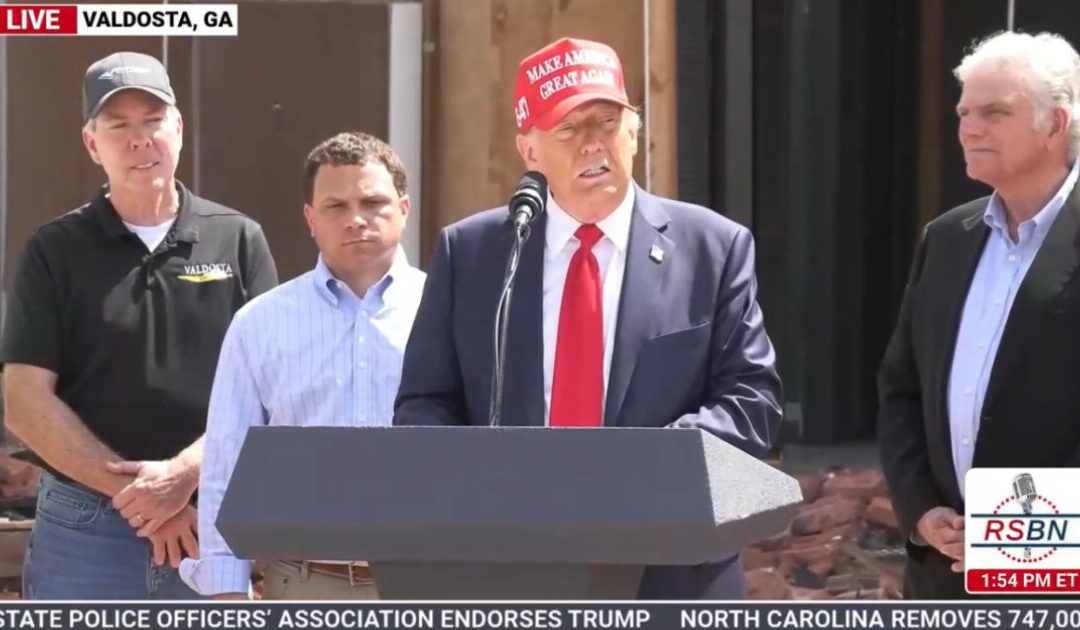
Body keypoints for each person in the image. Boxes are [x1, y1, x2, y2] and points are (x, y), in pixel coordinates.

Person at [393, 37, 781, 599]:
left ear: (635, 131)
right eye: (568, 130)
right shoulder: (473, 254)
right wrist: (475, 486)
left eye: (606, 121)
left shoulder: (713, 249)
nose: (592, 144)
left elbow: (751, 403)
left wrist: (636, 472)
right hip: (512, 569)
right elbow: (423, 403)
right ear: (529, 149)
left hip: (671, 571)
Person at [0, 52, 278, 599]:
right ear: (91, 143)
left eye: (152, 121)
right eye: (118, 125)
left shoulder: (239, 240)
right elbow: (25, 403)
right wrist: (147, 501)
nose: (139, 140)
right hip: (85, 531)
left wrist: (183, 477)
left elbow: (269, 388)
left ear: (178, 128)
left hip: (211, 518)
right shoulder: (54, 251)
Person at [180, 131, 425, 600]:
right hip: (305, 583)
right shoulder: (260, 324)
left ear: (404, 209)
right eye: (336, 207)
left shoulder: (447, 312)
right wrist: (226, 590)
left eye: (373, 202)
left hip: (427, 587)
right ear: (310, 219)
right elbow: (225, 464)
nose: (356, 220)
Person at [878, 31, 1080, 599]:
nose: (969, 128)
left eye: (995, 112)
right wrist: (920, 512)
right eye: (965, 111)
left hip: (1058, 587)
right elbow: (901, 393)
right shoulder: (946, 239)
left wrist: (1015, 541)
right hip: (943, 579)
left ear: (1055, 123)